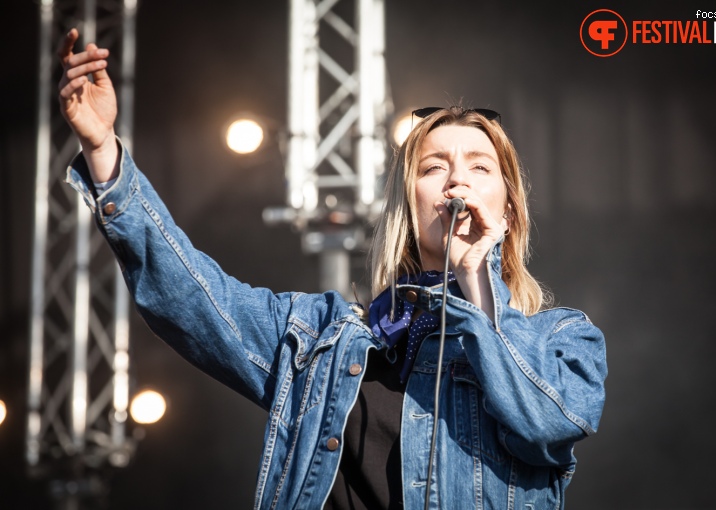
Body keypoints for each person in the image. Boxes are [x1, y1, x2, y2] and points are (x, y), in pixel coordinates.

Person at [58, 28, 607, 510]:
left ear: (507, 210)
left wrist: (474, 277)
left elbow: (544, 424)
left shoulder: (563, 340)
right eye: (434, 167)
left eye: (479, 167)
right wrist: (104, 152)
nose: (455, 182)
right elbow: (193, 298)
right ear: (406, 206)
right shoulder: (318, 337)